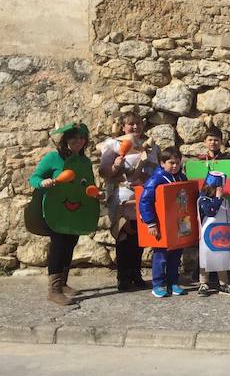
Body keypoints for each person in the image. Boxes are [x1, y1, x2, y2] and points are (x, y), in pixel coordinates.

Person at [28, 122, 96, 306]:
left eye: (82, 137)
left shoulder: (84, 162)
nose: (78, 141)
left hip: (76, 209)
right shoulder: (53, 157)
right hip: (54, 210)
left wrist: (96, 193)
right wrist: (43, 182)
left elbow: (86, 184)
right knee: (58, 245)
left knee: (70, 243)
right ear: (65, 139)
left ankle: (63, 283)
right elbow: (33, 178)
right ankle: (54, 290)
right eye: (74, 137)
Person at [98, 112, 158, 292]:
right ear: (123, 127)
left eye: (138, 124)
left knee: (139, 237)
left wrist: (146, 171)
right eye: (131, 124)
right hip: (122, 196)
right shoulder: (115, 145)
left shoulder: (151, 147)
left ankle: (135, 275)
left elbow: (155, 169)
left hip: (142, 196)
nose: (135, 127)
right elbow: (104, 171)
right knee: (124, 236)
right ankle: (122, 277)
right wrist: (116, 166)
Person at [138, 147, 190, 299]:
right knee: (161, 255)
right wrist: (151, 223)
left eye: (177, 163)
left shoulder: (181, 177)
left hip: (178, 223)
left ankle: (173, 282)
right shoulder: (156, 179)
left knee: (176, 254)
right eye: (171, 163)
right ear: (162, 163)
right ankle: (158, 284)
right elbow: (145, 201)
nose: (174, 166)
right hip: (162, 224)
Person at [196, 172, 230, 297]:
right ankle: (203, 283)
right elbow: (210, 212)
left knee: (221, 257)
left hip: (221, 233)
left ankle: (223, 283)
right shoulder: (203, 199)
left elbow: (226, 213)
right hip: (208, 234)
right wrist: (218, 198)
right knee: (205, 258)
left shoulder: (224, 200)